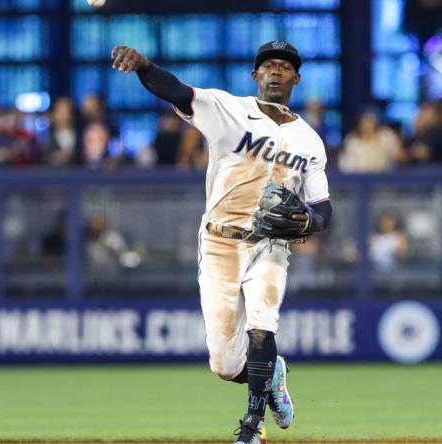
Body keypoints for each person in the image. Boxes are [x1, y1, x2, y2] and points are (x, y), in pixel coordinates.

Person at [111, 39, 332, 444]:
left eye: (285, 66)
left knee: (263, 325)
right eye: (268, 65)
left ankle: (252, 428)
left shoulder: (310, 141)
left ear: (296, 78)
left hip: (271, 243)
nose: (276, 71)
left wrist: (309, 219)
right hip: (219, 242)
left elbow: (323, 209)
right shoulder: (228, 109)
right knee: (225, 364)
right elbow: (175, 90)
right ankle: (272, 374)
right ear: (256, 75)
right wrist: (144, 66)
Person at [338, 108, 403, 172]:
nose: (367, 125)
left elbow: (398, 156)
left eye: (370, 121)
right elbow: (346, 166)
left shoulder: (385, 137)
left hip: (383, 178)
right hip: (358, 178)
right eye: (365, 121)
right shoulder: (352, 141)